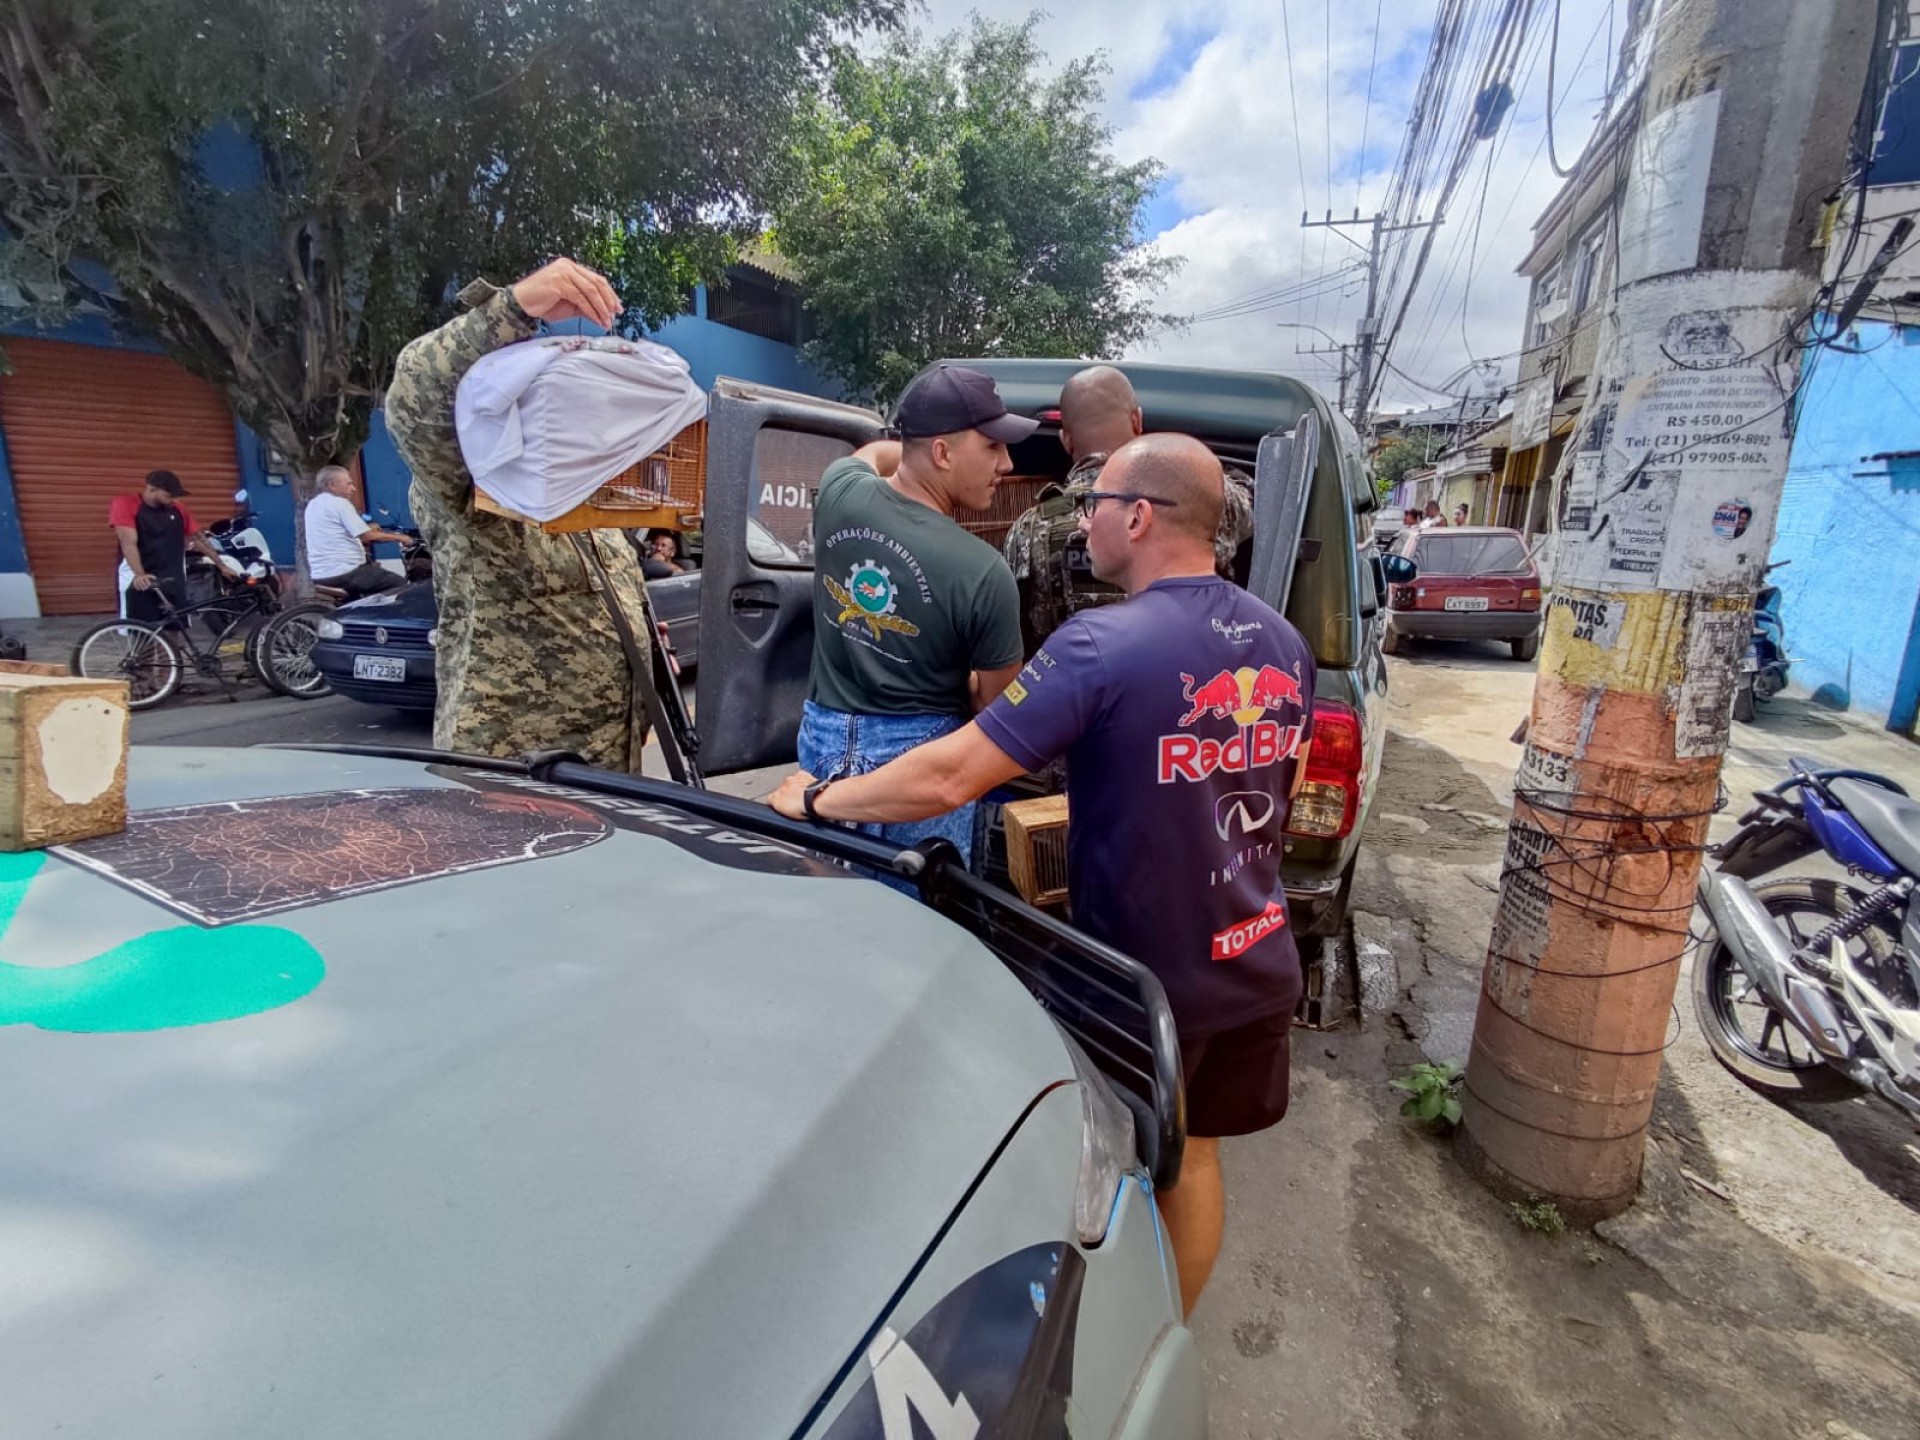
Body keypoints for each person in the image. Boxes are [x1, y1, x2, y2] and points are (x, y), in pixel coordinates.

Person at [771, 433, 1316, 1315]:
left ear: (1138, 517)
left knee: (1100, 1153)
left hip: (1135, 977)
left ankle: (1091, 1338)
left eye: (1096, 505)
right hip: (1252, 956)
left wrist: (821, 799)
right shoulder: (1281, 640)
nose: (1082, 524)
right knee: (1197, 1153)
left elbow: (953, 775)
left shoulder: (1099, 643)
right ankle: (1163, 1331)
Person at [384, 256, 655, 772]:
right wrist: (513, 306)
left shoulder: (589, 500)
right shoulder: (476, 486)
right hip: (512, 774)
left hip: (604, 768)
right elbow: (414, 399)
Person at [798, 363, 1034, 869]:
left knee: (823, 904)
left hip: (822, 742)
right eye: (992, 445)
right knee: (918, 923)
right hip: (920, 770)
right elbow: (998, 710)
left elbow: (875, 454)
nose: (1008, 463)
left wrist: (911, 450)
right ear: (943, 453)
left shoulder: (839, 492)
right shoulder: (984, 572)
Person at [1003, 365, 1252, 654]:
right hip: (1184, 684)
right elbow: (1254, 504)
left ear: (1066, 439)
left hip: (1072, 690)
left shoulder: (1026, 530)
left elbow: (1012, 637)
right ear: (1137, 420)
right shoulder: (1199, 495)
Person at [110, 470, 221, 622]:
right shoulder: (126, 504)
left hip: (173, 579)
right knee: (142, 631)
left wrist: (222, 566)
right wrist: (139, 574)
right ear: (151, 489)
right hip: (139, 578)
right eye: (169, 495)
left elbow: (199, 537)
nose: (173, 500)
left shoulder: (178, 509)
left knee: (174, 629)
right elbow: (128, 542)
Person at [304, 466, 411, 597]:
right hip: (345, 571)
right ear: (331, 485)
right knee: (399, 584)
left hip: (321, 573)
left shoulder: (314, 504)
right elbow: (366, 537)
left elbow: (338, 530)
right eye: (348, 484)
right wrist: (401, 538)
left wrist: (370, 527)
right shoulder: (340, 503)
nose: (353, 489)